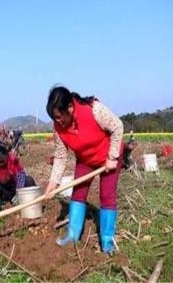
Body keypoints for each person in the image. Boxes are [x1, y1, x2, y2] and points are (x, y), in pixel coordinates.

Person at [44, 86, 123, 254]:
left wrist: (112, 157)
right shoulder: (58, 128)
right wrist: (53, 182)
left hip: (108, 157)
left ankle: (107, 243)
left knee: (106, 196)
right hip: (85, 159)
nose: (58, 121)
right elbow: (60, 156)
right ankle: (73, 236)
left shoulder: (94, 110)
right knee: (78, 194)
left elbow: (118, 126)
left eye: (59, 117)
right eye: (54, 118)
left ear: (70, 108)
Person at [0, 141, 35, 211]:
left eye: (3, 160)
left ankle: (29, 199)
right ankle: (0, 202)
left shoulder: (12, 160)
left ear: (7, 155)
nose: (1, 162)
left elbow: (21, 175)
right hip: (3, 192)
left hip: (14, 188)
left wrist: (19, 192)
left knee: (29, 180)